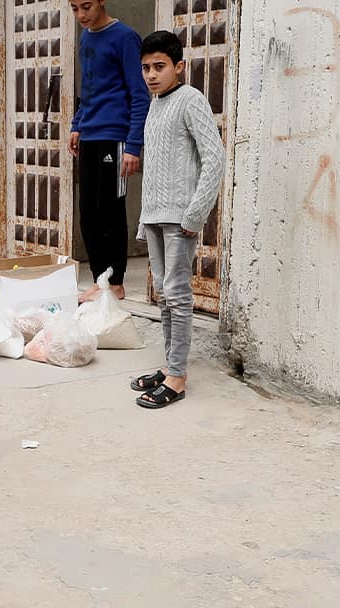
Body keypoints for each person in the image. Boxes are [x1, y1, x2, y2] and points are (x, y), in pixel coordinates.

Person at [130, 30, 224, 409]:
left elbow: (213, 158)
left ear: (179, 67)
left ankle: (178, 377)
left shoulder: (190, 100)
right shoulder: (156, 104)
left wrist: (194, 214)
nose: (152, 74)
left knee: (179, 296)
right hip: (154, 216)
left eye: (159, 66)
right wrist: (144, 217)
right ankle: (170, 366)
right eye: (146, 68)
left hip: (179, 218)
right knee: (165, 298)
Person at [62, 0, 151, 302]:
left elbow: (139, 94)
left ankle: (115, 283)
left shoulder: (125, 37)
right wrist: (77, 123)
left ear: (102, 0)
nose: (81, 14)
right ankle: (100, 281)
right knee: (89, 212)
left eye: (86, 6)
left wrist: (133, 145)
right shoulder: (86, 37)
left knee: (110, 211)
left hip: (116, 137)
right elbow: (90, 89)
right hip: (90, 135)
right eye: (74, 8)